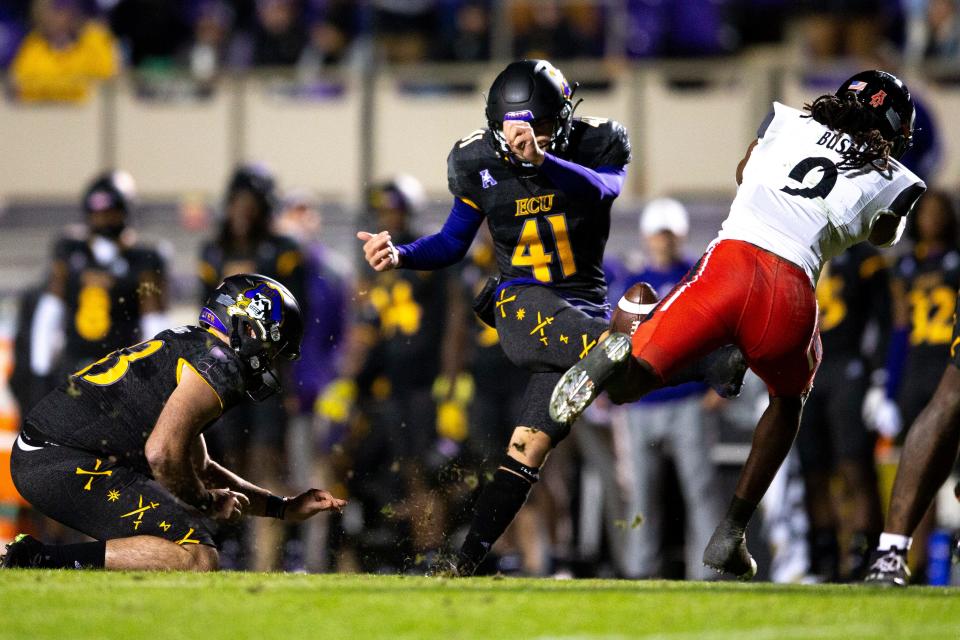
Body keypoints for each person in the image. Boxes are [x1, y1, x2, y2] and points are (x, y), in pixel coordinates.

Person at [358, 59, 741, 576]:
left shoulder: (596, 142)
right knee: (612, 352)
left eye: (537, 128)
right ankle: (695, 361)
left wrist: (546, 162)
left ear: (561, 118)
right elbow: (452, 241)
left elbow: (603, 190)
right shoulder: (476, 161)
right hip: (519, 303)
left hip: (580, 309)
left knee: (527, 447)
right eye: (516, 129)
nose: (524, 138)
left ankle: (461, 561)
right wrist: (400, 255)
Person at [550, 69, 927, 579]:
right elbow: (881, 234)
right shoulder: (899, 182)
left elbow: (744, 170)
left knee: (628, 384)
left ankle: (626, 339)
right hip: (791, 294)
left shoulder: (786, 121)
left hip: (731, 264)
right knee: (788, 403)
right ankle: (731, 531)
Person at [1, 274, 345, 570]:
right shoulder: (219, 365)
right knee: (197, 556)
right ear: (250, 328)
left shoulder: (194, 345)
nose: (271, 361)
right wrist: (208, 502)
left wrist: (281, 508)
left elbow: (200, 467)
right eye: (272, 347)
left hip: (46, 455)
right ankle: (37, 559)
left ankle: (42, 559)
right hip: (60, 460)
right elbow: (162, 455)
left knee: (184, 542)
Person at [198, 163, 305, 570]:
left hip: (268, 373)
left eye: (250, 202)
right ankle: (235, 550)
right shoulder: (213, 251)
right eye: (237, 202)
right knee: (228, 464)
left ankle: (267, 558)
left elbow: (298, 319)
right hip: (224, 374)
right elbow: (202, 317)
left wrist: (292, 382)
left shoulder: (284, 251)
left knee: (266, 462)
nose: (242, 210)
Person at [616, 198, 724, 580]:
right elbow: (618, 343)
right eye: (658, 234)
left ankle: (707, 570)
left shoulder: (696, 278)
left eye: (668, 234)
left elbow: (718, 331)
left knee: (700, 488)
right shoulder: (632, 285)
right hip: (643, 401)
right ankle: (640, 569)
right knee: (642, 493)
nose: (663, 241)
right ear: (647, 237)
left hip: (687, 398)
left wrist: (718, 385)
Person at [864, 193, 960, 587]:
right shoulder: (907, 264)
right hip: (924, 365)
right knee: (948, 402)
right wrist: (886, 380)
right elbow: (900, 326)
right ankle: (896, 553)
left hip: (938, 358)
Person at [797, 242, 890, 582]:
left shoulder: (865, 257)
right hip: (806, 370)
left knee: (855, 466)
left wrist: (880, 379)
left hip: (848, 366)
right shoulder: (801, 247)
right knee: (813, 470)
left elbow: (886, 320)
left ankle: (866, 554)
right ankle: (824, 556)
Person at [30, 170, 168, 387]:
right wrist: (40, 371)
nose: (102, 218)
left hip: (121, 367)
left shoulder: (143, 261)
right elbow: (51, 309)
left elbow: (152, 317)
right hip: (74, 364)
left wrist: (159, 371)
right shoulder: (70, 251)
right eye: (96, 212)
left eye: (109, 211)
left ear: (125, 210)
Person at [11, 0, 119, 103]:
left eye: (64, 11)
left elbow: (105, 77)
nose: (58, 17)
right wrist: (70, 86)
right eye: (53, 11)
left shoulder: (94, 40)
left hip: (89, 118)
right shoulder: (33, 44)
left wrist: (54, 85)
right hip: (38, 117)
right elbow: (22, 84)